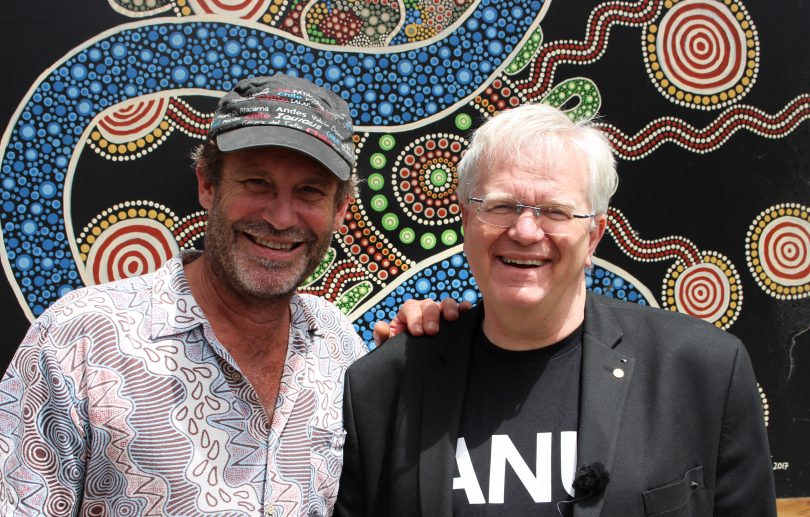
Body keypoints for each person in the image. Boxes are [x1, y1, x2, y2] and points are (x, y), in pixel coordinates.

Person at [0, 74, 448, 517]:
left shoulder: (339, 345)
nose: (279, 217)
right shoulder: (81, 339)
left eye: (309, 191)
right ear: (208, 185)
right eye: (256, 183)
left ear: (340, 211)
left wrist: (424, 361)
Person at [335, 104, 777, 517]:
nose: (525, 231)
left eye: (555, 211)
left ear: (594, 236)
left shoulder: (704, 372)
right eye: (502, 206)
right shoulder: (386, 385)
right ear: (467, 221)